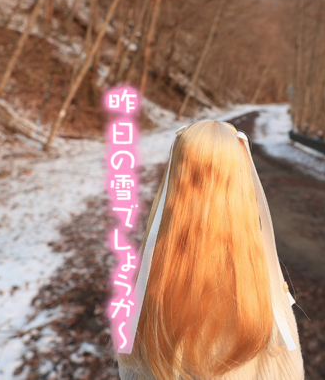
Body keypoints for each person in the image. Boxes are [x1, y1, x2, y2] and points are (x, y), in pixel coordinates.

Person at [117, 120, 304, 380]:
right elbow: (287, 369)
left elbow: (131, 366)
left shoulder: (150, 269)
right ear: (240, 178)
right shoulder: (261, 275)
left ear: (175, 175)